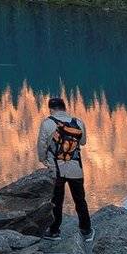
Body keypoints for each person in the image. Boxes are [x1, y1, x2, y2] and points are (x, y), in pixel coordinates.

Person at [36, 96, 93, 241]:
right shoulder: (78, 122)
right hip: (76, 168)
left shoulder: (47, 123)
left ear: (51, 109)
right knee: (80, 200)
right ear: (64, 107)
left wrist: (44, 160)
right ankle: (86, 231)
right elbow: (83, 142)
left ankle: (54, 231)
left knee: (56, 201)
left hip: (56, 169)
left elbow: (42, 146)